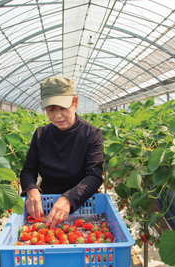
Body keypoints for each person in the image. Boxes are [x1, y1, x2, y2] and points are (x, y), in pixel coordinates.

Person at [20, 76, 105, 229]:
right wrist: (31, 188)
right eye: (50, 110)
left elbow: (94, 176)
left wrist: (68, 199)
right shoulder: (41, 135)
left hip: (84, 204)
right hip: (48, 207)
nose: (57, 116)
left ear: (76, 103)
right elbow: (28, 170)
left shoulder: (91, 134)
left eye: (62, 108)